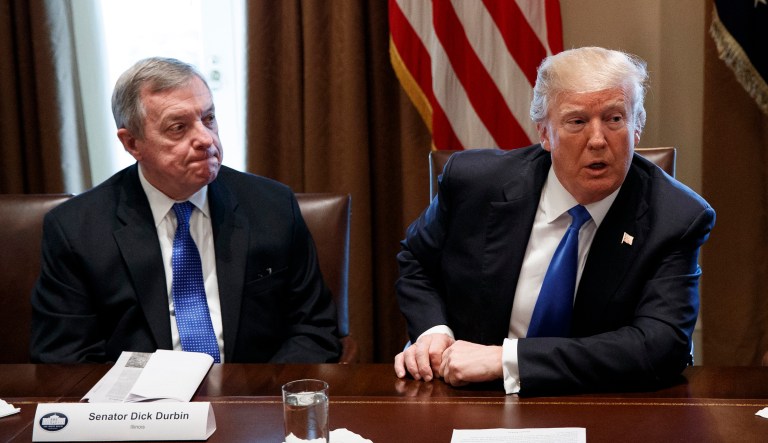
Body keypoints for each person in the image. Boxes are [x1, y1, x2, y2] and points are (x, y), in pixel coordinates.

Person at [393, 47, 715, 395]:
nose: (597, 140)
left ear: (637, 128)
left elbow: (661, 345)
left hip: (604, 404)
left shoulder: (677, 217)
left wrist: (507, 360)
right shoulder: (475, 183)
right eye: (577, 121)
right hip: (472, 396)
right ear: (545, 133)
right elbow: (417, 263)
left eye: (614, 118)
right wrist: (433, 331)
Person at [30, 57, 341, 364]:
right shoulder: (76, 229)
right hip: (136, 408)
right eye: (178, 127)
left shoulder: (272, 207)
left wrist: (258, 404)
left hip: (253, 401)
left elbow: (313, 329)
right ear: (132, 143)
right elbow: (65, 359)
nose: (206, 139)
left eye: (208, 119)